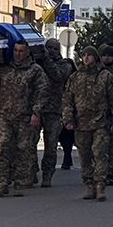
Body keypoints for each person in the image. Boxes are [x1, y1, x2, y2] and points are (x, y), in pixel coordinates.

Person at [61, 46, 113, 200]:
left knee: (100, 154)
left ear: (95, 57)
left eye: (89, 55)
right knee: (85, 156)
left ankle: (100, 185)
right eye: (84, 55)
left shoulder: (105, 76)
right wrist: (68, 119)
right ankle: (89, 185)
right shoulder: (75, 77)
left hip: (100, 122)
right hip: (81, 123)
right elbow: (67, 100)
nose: (86, 58)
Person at [0, 40, 49, 196]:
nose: (18, 54)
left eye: (21, 51)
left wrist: (36, 112)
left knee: (23, 150)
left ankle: (19, 183)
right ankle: (2, 183)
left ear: (27, 52)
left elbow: (42, 92)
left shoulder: (35, 70)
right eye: (15, 50)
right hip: (4, 116)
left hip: (24, 117)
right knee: (2, 148)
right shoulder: (3, 68)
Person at [36, 38, 74, 187]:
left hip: (54, 110)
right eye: (48, 48)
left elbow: (58, 76)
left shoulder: (65, 64)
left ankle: (47, 174)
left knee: (51, 145)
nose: (51, 51)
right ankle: (30, 171)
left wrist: (46, 59)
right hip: (36, 109)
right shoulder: (37, 64)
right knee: (28, 143)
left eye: (54, 48)